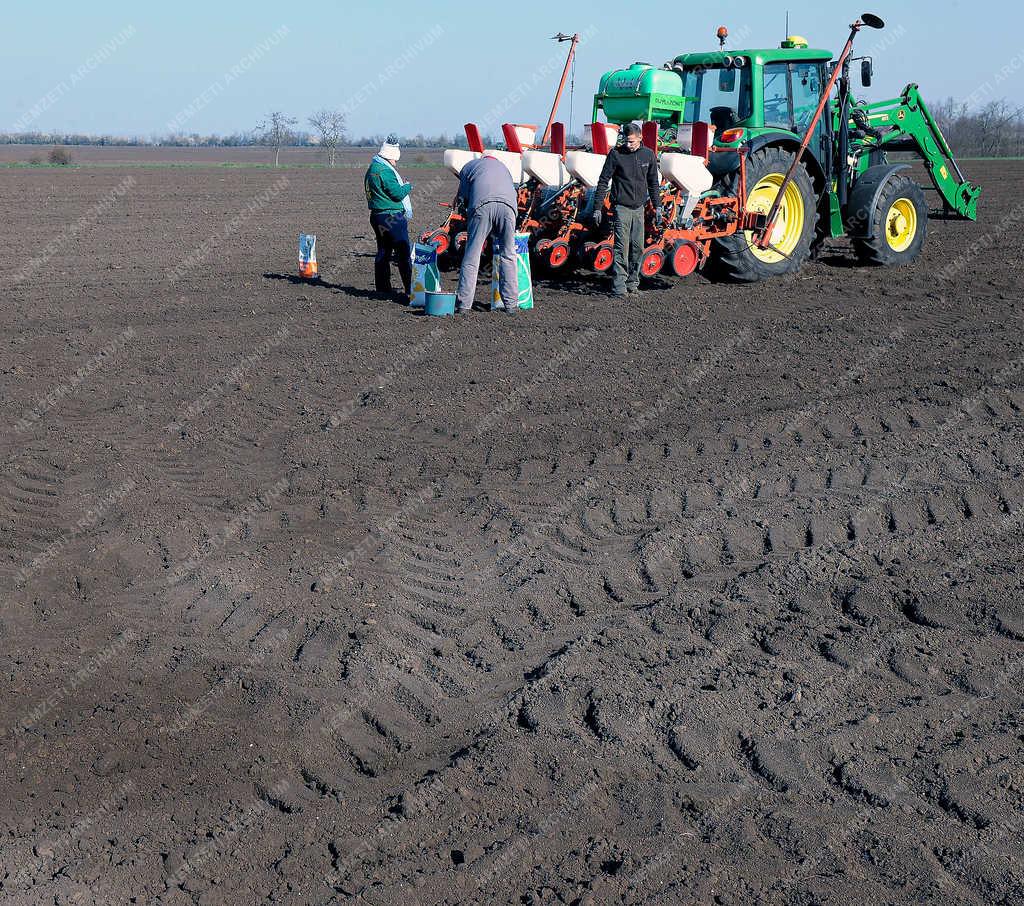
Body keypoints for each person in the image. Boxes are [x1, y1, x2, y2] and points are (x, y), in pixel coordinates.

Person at [592, 123, 662, 298]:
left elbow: (653, 183)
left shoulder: (648, 155)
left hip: (639, 208)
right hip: (621, 207)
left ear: (640, 138)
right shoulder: (616, 154)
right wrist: (597, 208)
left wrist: (658, 206)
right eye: (626, 141)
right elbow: (603, 181)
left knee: (638, 248)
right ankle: (619, 287)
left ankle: (633, 284)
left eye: (631, 141)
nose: (628, 145)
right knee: (621, 247)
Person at [455, 154, 518, 315]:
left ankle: (464, 304)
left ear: (482, 159)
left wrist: (465, 213)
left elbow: (463, 198)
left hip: (482, 206)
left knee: (472, 255)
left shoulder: (470, 166)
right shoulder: (504, 168)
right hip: (509, 208)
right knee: (508, 255)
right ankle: (511, 305)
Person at [364, 134, 413, 300]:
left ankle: (383, 288)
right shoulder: (385, 170)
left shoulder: (372, 169)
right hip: (392, 216)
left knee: (383, 252)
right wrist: (407, 186)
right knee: (403, 253)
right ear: (390, 156)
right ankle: (410, 288)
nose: (396, 163)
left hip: (377, 216)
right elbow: (397, 193)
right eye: (395, 160)